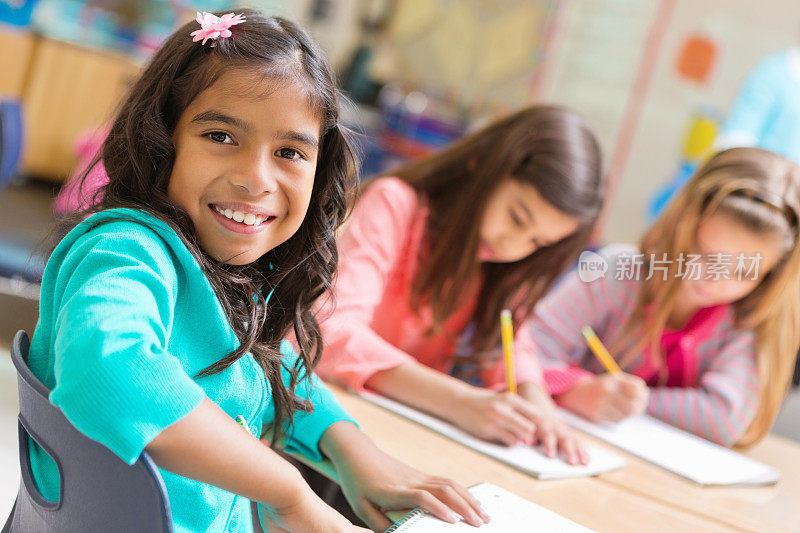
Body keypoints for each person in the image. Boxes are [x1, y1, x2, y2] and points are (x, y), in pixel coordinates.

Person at [27, 10, 488, 532]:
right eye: (221, 136)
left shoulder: (226, 273)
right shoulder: (127, 252)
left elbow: (268, 370)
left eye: (290, 152)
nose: (255, 179)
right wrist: (288, 489)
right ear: (162, 140)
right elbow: (108, 369)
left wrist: (351, 447)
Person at [317, 106, 606, 464]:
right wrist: (459, 402)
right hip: (327, 432)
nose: (513, 246)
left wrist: (538, 403)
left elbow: (511, 345)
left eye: (537, 242)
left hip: (398, 444)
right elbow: (329, 332)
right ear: (483, 165)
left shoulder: (504, 263)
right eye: (516, 218)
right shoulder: (396, 205)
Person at [526, 148, 800, 447]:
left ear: (771, 276)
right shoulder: (617, 272)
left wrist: (636, 403)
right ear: (678, 226)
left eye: (745, 272)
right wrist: (575, 390)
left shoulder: (749, 318)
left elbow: (725, 418)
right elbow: (524, 350)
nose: (713, 278)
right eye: (706, 255)